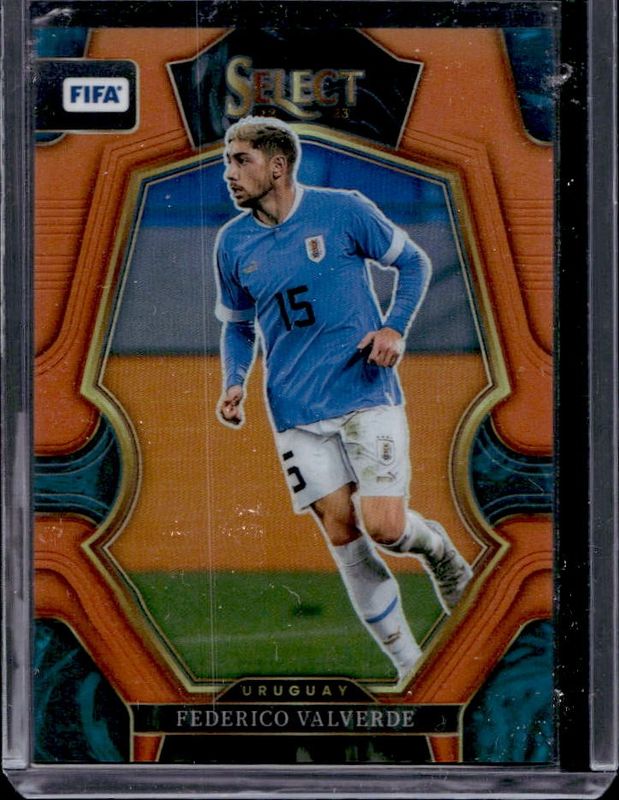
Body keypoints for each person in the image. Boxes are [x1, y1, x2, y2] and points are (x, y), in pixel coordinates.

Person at [214, 116, 472, 681]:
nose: (228, 173)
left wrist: (394, 328)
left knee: (384, 527)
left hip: (364, 391)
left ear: (277, 166)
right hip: (294, 412)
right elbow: (238, 324)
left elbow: (413, 262)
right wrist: (234, 380)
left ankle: (440, 553)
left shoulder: (343, 210)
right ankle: (409, 667)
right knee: (341, 532)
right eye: (227, 161)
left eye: (240, 160)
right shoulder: (232, 243)